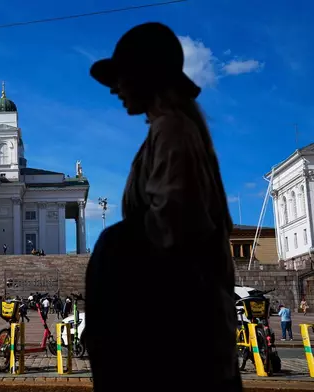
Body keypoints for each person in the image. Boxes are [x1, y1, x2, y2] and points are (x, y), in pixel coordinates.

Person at [85, 22, 241, 392]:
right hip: (187, 326)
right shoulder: (172, 128)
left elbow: (172, 226)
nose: (114, 89)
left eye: (122, 77)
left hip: (177, 331)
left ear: (146, 77)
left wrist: (111, 245)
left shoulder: (172, 130)